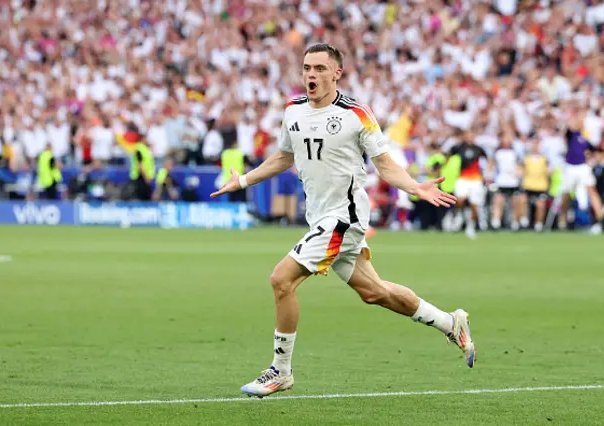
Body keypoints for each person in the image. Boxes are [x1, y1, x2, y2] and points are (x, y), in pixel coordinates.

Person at [211, 43, 475, 399]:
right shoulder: (293, 110)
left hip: (344, 218)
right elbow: (283, 157)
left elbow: (383, 164)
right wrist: (242, 180)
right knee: (374, 292)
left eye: (320, 68)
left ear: (337, 73)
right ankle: (450, 322)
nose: (311, 75)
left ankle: (281, 371)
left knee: (281, 280)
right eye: (307, 68)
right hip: (320, 217)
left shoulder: (356, 114)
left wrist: (415, 187)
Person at [558, 110, 603, 235]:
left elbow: (595, 151)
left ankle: (599, 220)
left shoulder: (585, 138)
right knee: (566, 195)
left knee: (591, 191)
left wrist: (593, 158)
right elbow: (569, 127)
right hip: (570, 167)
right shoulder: (571, 135)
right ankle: (563, 221)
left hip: (583, 167)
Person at [450, 130, 488, 239]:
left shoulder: (479, 149)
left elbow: (488, 160)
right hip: (463, 178)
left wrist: (488, 172)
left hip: (476, 180)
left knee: (474, 205)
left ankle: (470, 227)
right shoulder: (459, 148)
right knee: (460, 199)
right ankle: (458, 215)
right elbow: (447, 155)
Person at [490, 132, 526, 231]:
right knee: (498, 201)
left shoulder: (515, 152)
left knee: (515, 202)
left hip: (513, 181)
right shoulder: (497, 152)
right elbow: (492, 166)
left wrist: (519, 172)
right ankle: (496, 222)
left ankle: (515, 222)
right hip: (501, 180)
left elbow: (520, 165)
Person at [520, 139, 551, 232]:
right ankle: (523, 220)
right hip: (528, 185)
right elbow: (520, 170)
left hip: (541, 186)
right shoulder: (527, 158)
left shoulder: (544, 159)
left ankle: (538, 224)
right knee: (522, 200)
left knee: (540, 205)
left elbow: (549, 171)